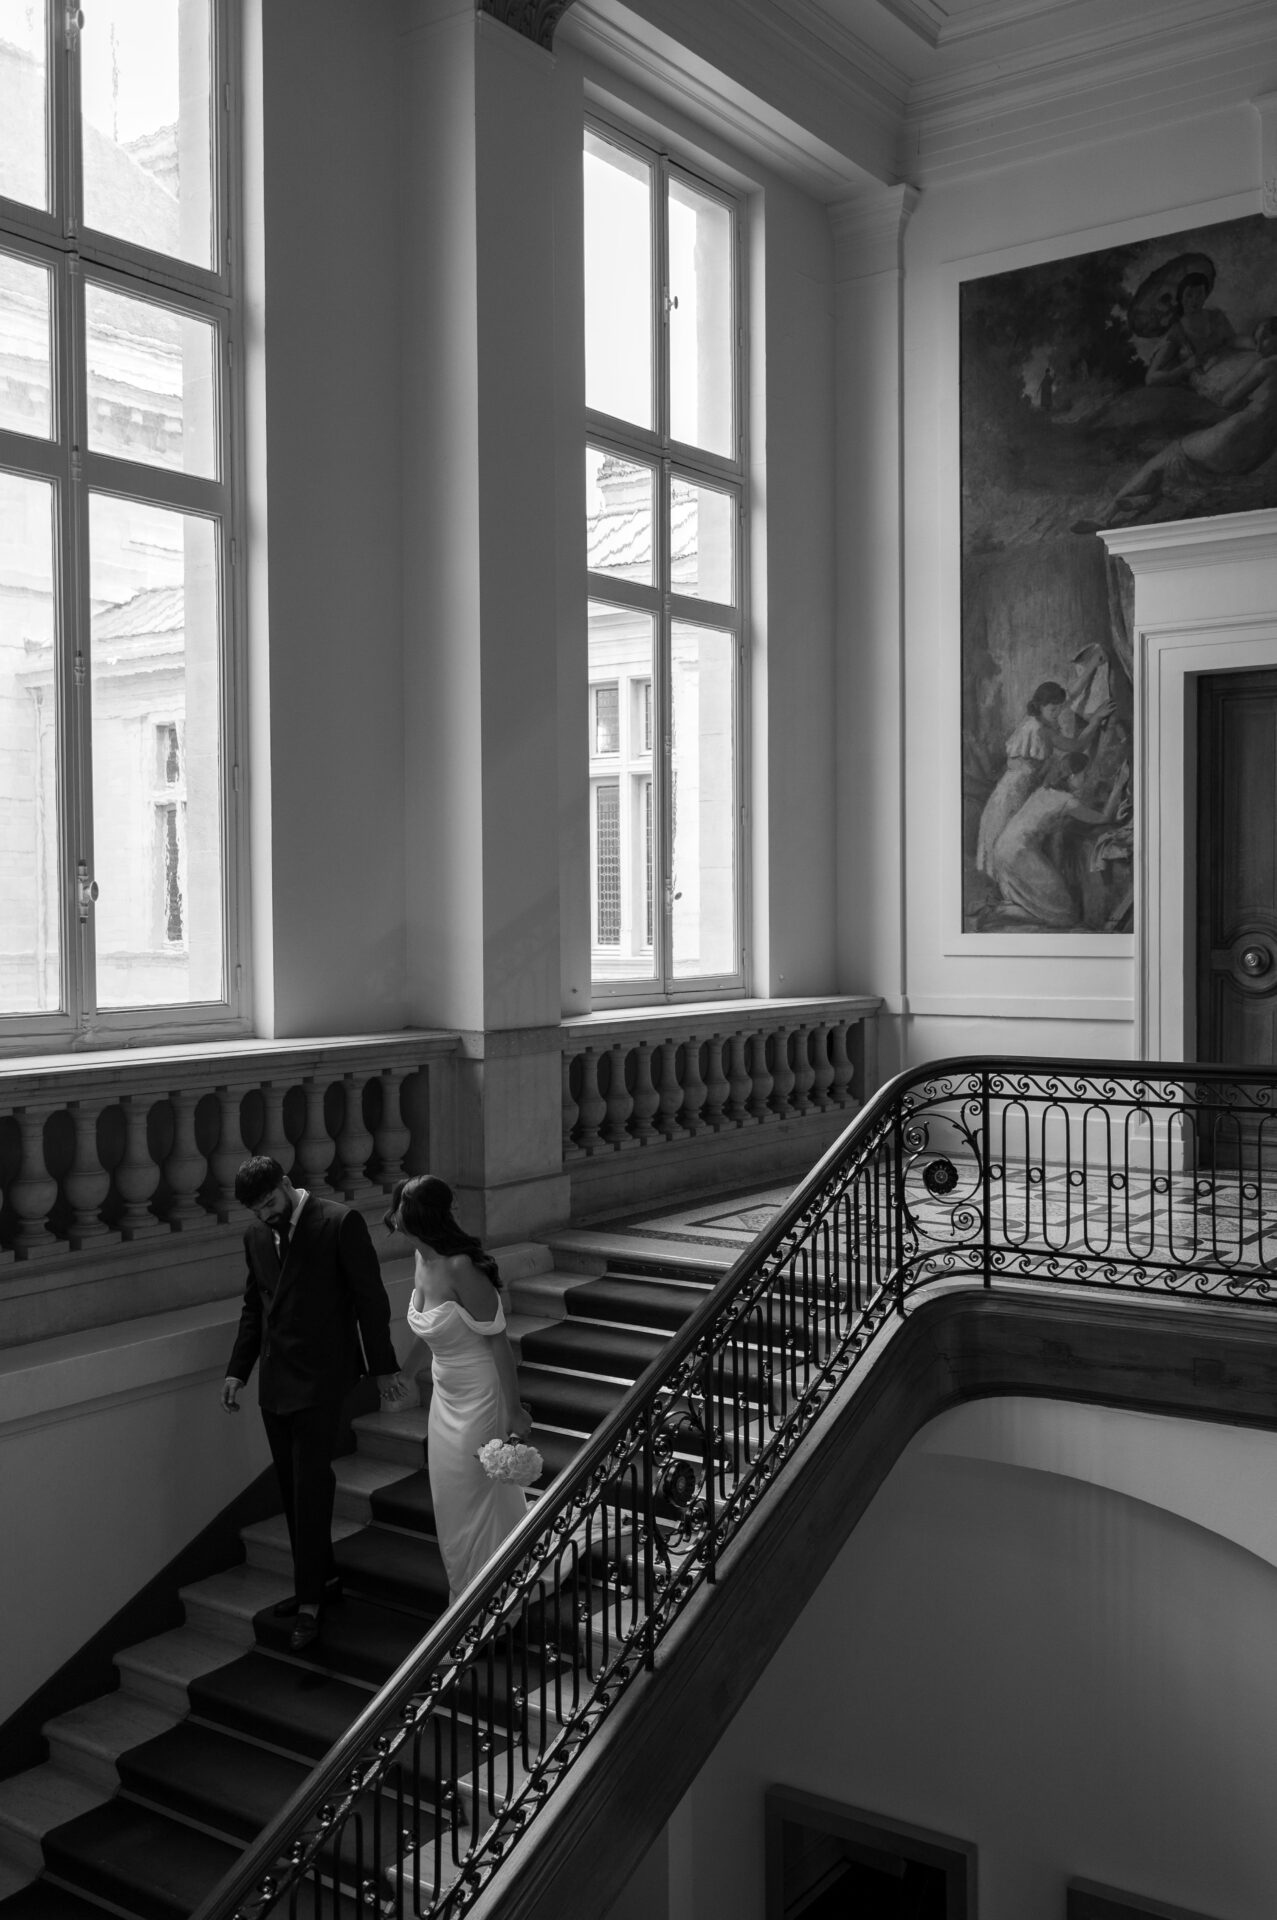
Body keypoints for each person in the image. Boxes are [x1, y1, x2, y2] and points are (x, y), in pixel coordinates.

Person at [222, 1156, 408, 1651]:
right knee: (291, 1487)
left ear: (286, 1185)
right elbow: (253, 1306)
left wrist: (383, 1366)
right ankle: (321, 1583)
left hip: (324, 1377)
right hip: (275, 1382)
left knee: (309, 1485)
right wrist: (237, 1371)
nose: (265, 1216)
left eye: (269, 1204)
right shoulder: (256, 1236)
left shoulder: (338, 1222)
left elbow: (370, 1298)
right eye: (256, 1211)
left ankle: (309, 1603)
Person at [389, 1175, 533, 1608]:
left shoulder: (461, 1268)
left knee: (478, 1496)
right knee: (451, 1499)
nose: (393, 1211)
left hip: (481, 1397)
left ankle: (491, 1595)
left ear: (417, 1215)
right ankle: (469, 1589)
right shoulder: (421, 1258)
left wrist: (513, 1411)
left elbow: (498, 1342)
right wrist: (407, 1371)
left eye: (400, 1204)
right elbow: (429, 1331)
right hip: (444, 1397)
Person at [975, 682, 1109, 877]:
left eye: (1058, 708)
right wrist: (1095, 720)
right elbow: (1076, 745)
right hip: (1013, 793)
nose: (1057, 713)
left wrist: (1090, 668)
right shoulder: (1039, 730)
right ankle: (1009, 892)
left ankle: (1010, 890)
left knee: (1009, 843)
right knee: (1006, 842)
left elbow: (1067, 698)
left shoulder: (1034, 719)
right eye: (1053, 709)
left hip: (1014, 788)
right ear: (1040, 706)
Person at [987, 754, 1130, 929]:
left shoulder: (1044, 791)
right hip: (1018, 853)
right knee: (1065, 914)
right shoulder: (1067, 801)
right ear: (1072, 776)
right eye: (1083, 775)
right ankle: (1002, 912)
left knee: (1036, 901)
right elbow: (1102, 818)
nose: (1085, 779)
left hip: (1003, 847)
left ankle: (1004, 908)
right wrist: (1119, 785)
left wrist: (1113, 817)